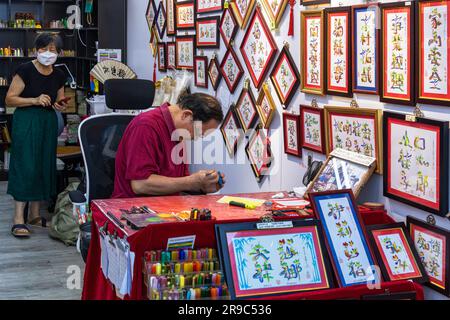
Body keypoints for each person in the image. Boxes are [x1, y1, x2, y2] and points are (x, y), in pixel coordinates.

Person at [5, 33, 69, 237]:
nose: (47, 53)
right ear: (36, 50)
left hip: (48, 122)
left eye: (52, 49)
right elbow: (10, 100)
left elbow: (58, 100)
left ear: (59, 53)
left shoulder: (59, 75)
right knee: (26, 165)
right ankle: (18, 218)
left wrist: (60, 104)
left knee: (42, 164)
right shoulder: (25, 70)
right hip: (27, 120)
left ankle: (33, 214)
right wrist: (33, 100)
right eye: (43, 49)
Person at [112, 92, 226, 198]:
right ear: (186, 115)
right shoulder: (145, 127)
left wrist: (202, 185)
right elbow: (140, 184)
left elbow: (179, 183)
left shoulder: (178, 133)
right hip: (132, 210)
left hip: (166, 207)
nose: (196, 138)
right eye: (199, 132)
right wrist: (193, 181)